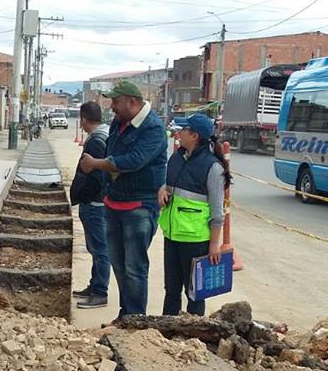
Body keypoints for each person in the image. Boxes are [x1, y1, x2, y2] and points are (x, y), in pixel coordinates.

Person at [80, 80, 167, 318]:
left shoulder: (152, 128)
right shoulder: (119, 124)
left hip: (139, 207)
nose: (112, 107)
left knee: (134, 267)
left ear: (133, 102)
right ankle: (124, 315)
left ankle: (135, 318)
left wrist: (96, 164)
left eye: (116, 102)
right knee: (118, 264)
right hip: (114, 203)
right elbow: (113, 154)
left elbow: (134, 160)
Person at [158, 114, 228, 316]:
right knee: (171, 290)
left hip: (195, 240)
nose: (179, 133)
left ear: (195, 136)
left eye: (184, 130)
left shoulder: (213, 167)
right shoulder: (176, 158)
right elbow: (168, 184)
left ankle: (194, 331)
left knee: (195, 293)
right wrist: (162, 190)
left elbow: (217, 211)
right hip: (172, 235)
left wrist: (214, 244)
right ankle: (167, 330)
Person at [69, 101, 110, 309]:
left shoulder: (96, 141)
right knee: (95, 247)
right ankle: (94, 285)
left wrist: (84, 196)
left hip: (95, 204)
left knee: (99, 249)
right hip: (97, 202)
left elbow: (96, 177)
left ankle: (100, 292)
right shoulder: (104, 135)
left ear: (84, 119)